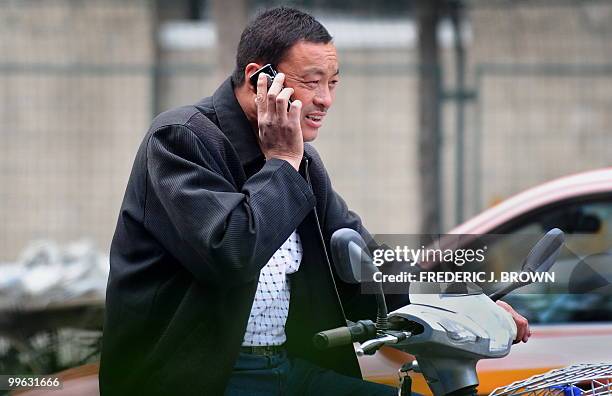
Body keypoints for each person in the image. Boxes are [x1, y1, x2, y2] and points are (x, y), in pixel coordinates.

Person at [99, 7, 530, 396]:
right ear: (258, 78)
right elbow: (230, 253)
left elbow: (368, 259)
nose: (325, 99)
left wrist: (469, 302)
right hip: (203, 377)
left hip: (288, 367)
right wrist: (283, 161)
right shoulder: (181, 138)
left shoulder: (302, 163)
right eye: (311, 82)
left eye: (333, 83)